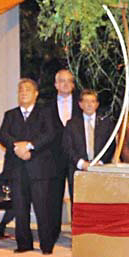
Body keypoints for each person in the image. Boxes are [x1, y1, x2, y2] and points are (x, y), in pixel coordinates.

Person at [0, 78, 59, 253]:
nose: (23, 92)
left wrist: (30, 146)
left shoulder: (45, 113)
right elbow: (3, 134)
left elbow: (49, 134)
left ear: (36, 94)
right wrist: (17, 147)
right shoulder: (10, 114)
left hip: (39, 168)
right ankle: (23, 245)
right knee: (20, 209)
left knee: (42, 209)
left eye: (28, 90)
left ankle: (46, 246)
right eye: (21, 90)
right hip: (17, 168)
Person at [49, 68, 79, 241]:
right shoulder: (46, 106)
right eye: (62, 81)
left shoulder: (82, 105)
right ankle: (53, 233)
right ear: (56, 84)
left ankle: (78, 233)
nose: (65, 84)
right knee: (54, 196)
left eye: (69, 81)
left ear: (73, 85)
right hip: (54, 158)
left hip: (76, 158)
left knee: (78, 197)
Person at [63, 88, 115, 189]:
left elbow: (111, 145)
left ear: (97, 104)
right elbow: (67, 147)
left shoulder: (106, 123)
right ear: (80, 104)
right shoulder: (71, 124)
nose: (89, 104)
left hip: (101, 171)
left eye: (92, 101)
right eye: (86, 101)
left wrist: (100, 162)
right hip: (78, 171)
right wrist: (82, 164)